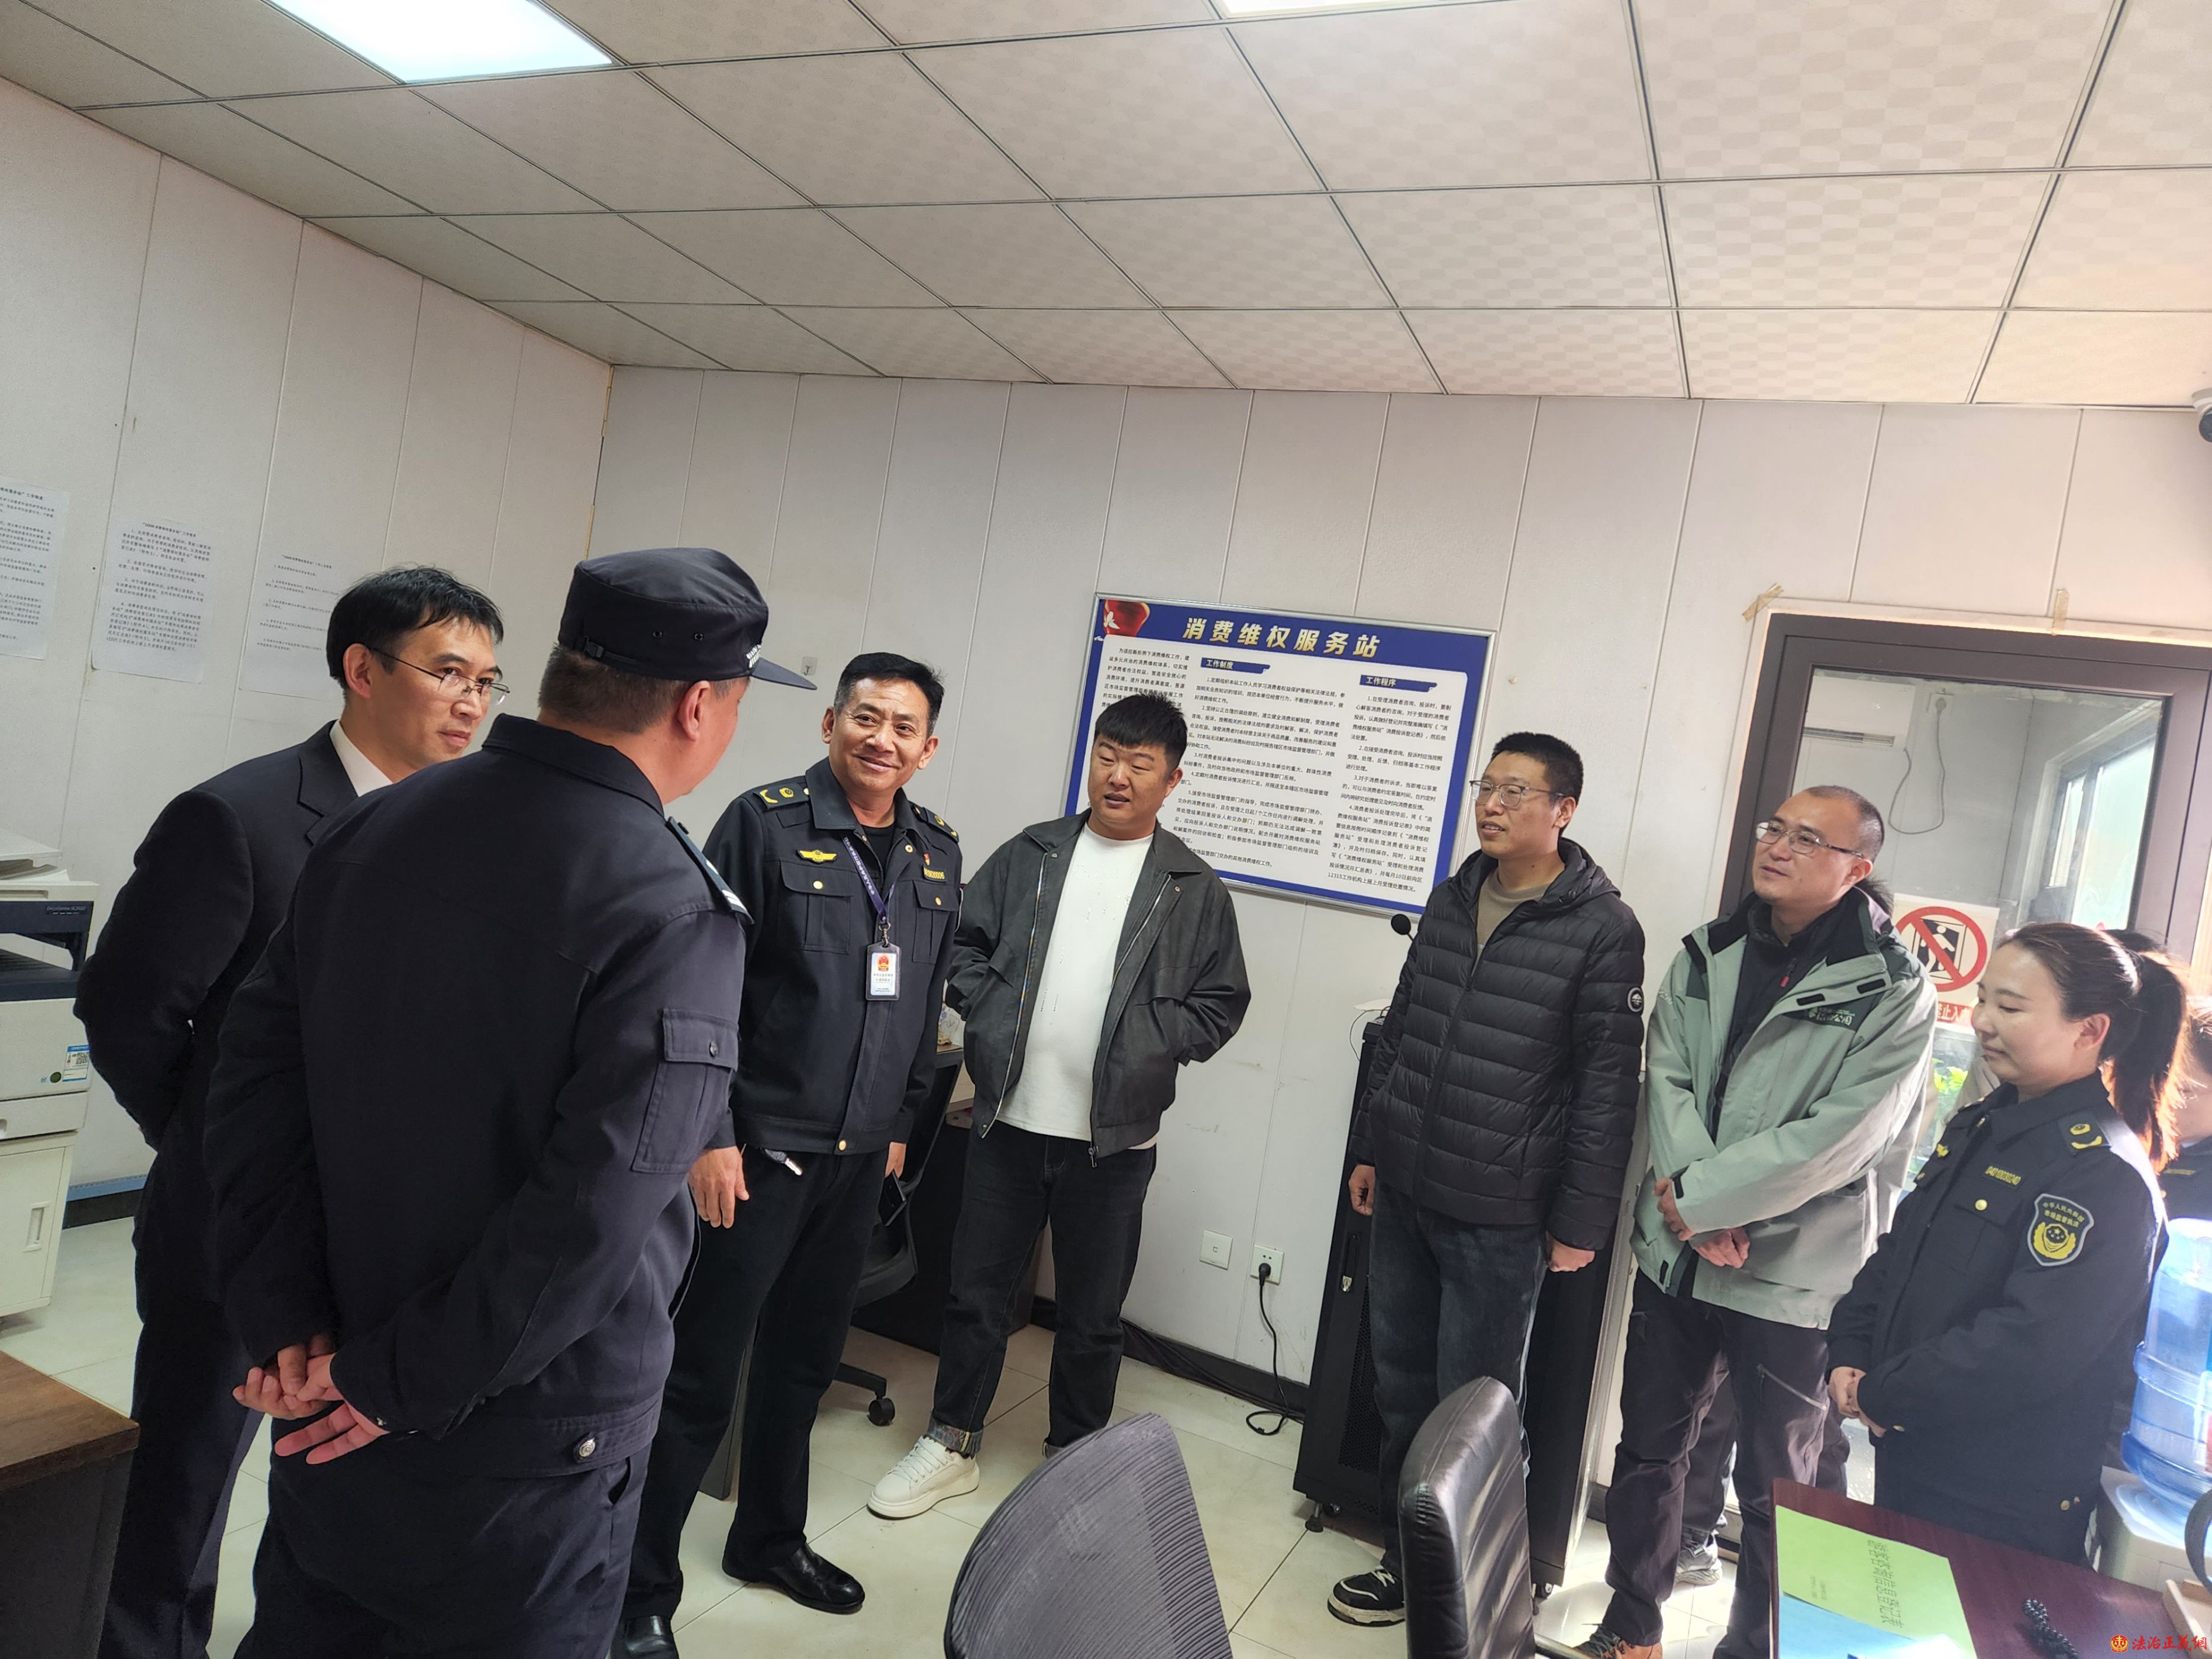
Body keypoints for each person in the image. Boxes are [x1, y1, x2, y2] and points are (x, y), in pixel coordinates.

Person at [203, 547, 810, 1657]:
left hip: (332, 1363)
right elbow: (590, 1217)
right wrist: (393, 1384)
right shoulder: (671, 907)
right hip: (518, 1435)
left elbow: (252, 1083)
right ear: (696, 706)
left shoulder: (380, 820)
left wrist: (288, 1318)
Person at [75, 564, 504, 1659]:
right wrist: (211, 1146)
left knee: (331, 1482)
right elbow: (129, 1011)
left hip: (378, 1236)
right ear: (362, 669)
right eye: (449, 672)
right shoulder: (241, 816)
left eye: (487, 681)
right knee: (184, 1477)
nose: (471, 701)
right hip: (231, 1222)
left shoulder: (466, 831)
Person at [613, 653, 963, 1657]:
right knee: (697, 1375)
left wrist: (898, 1124)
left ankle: (768, 1539)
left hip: (856, 1160)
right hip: (759, 1151)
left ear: (927, 748)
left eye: (903, 727)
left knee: (802, 1365)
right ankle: (637, 1588)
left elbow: (923, 1000)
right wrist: (711, 1133)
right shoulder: (763, 825)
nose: (881, 739)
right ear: (829, 723)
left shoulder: (936, 852)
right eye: (866, 717)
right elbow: (705, 987)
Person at [863, 691, 1250, 1523]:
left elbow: (1221, 1003)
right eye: (1107, 756)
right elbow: (961, 942)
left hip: (1113, 1144)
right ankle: (950, 1441)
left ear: (1171, 780)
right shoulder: (1032, 854)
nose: (1118, 776)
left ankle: (1073, 1462)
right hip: (1006, 1120)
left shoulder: (1190, 886)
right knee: (974, 1294)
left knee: (1090, 1315)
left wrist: (1149, 1040)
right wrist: (988, 1007)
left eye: (1139, 764)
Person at [1575, 787, 1936, 1659]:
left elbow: (1842, 1137)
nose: (1777, 845)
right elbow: (1665, 1074)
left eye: (1807, 838)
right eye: (1774, 827)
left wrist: (1704, 1201)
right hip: (1678, 1257)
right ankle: (1630, 1627)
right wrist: (1694, 1211)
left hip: (1793, 1276)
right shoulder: (1708, 951)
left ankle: (1751, 1647)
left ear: (1856, 868)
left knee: (1778, 1485)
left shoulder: (1893, 988)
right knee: (1649, 1451)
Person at [1326, 733, 1646, 1628]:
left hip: (1500, 1213)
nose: (1492, 805)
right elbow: (1401, 1032)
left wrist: (1580, 1221)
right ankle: (1405, 1561)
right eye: (1486, 787)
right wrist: (1371, 1148)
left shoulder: (1602, 928)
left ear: (1562, 810)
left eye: (1515, 790)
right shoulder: (1453, 895)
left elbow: (1605, 1090)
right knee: (1400, 1390)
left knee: (1474, 1413)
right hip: (1407, 1188)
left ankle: (1473, 1594)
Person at [1827, 923, 2178, 1561]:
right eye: (1983, 999)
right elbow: (1901, 1251)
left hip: (1998, 1495)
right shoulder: (1985, 1122)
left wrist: (1883, 1392)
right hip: (1915, 1450)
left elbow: (2031, 1344)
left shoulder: (2101, 1172)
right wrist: (1848, 1348)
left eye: (2010, 1007)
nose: (1982, 1021)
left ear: (2089, 1030)